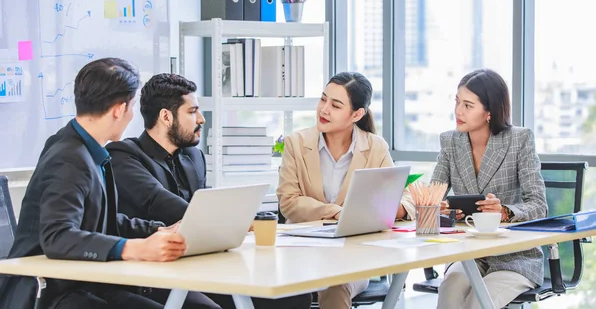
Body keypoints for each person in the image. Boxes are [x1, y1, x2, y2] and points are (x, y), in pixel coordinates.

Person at [107, 73, 312, 309]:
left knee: (292, 297)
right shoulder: (123, 155)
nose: (201, 119)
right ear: (166, 116)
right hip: (153, 273)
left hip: (201, 265)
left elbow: (206, 207)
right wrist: (232, 221)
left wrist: (237, 220)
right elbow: (159, 202)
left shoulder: (193, 156)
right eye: (192, 112)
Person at [0, 58, 188, 309]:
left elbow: (101, 221)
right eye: (131, 108)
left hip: (84, 282)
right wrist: (134, 248)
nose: (132, 116)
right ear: (119, 110)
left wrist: (157, 231)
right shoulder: (69, 158)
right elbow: (58, 236)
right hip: (52, 293)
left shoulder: (87, 149)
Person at [277, 71, 415, 309]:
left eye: (335, 105)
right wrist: (338, 212)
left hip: (355, 254)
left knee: (336, 284)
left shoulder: (375, 147)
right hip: (302, 250)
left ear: (357, 114)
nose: (324, 109)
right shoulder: (296, 143)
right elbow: (288, 202)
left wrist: (395, 209)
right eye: (323, 99)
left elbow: (405, 197)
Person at [432, 69, 547, 309]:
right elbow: (432, 199)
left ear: (488, 112)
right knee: (450, 289)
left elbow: (539, 205)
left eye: (467, 105)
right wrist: (443, 211)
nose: (458, 111)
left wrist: (504, 211)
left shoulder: (520, 139)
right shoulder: (450, 142)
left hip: (514, 257)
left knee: (478, 302)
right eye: (457, 102)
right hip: (468, 252)